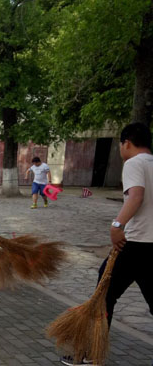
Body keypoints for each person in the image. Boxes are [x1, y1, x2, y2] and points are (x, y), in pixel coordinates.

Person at [61, 122, 153, 366]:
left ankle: (91, 353)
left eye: (121, 145)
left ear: (126, 143)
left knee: (102, 297)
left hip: (134, 244)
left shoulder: (134, 163)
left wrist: (117, 225)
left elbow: (136, 196)